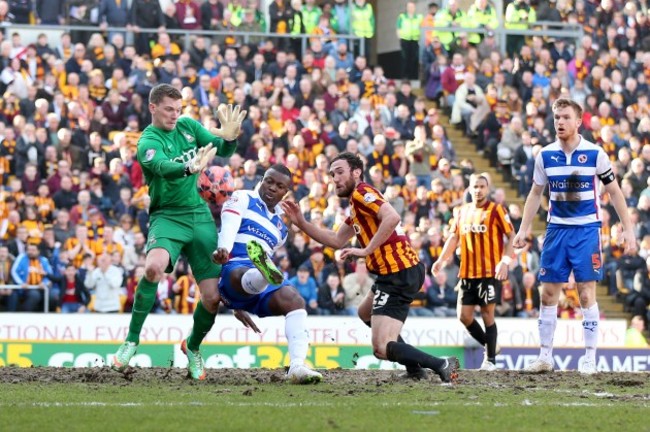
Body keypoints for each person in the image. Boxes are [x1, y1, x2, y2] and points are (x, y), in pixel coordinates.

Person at [282, 152, 459, 383]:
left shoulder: (362, 192)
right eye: (332, 174)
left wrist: (365, 251)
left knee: (381, 349)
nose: (334, 178)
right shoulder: (356, 205)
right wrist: (302, 223)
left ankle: (441, 364)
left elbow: (392, 217)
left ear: (356, 172)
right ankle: (415, 370)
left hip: (399, 271)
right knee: (364, 312)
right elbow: (336, 239)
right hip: (394, 271)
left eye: (340, 172)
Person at [111, 84, 247, 378]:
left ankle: (193, 347)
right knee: (152, 269)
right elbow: (161, 166)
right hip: (167, 216)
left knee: (213, 297)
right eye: (169, 109)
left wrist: (232, 137)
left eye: (178, 109)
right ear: (153, 108)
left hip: (199, 216)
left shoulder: (188, 126)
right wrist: (187, 168)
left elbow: (221, 148)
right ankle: (131, 340)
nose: (175, 115)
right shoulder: (147, 140)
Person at [513, 98, 637, 374]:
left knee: (585, 293)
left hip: (586, 230)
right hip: (556, 230)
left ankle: (590, 358)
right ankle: (545, 357)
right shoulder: (544, 155)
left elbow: (615, 192)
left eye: (566, 117)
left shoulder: (595, 154)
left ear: (579, 121)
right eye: (556, 117)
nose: (559, 122)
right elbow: (535, 193)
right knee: (547, 294)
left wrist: (628, 230)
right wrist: (523, 229)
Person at [212, 164, 323, 384]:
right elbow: (230, 224)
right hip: (233, 268)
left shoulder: (281, 228)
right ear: (262, 180)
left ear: (285, 193)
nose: (272, 188)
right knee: (244, 272)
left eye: (279, 186)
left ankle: (297, 367)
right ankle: (263, 271)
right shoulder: (242, 198)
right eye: (269, 181)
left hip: (257, 288)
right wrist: (223, 248)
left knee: (295, 300)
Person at [431, 174, 514, 371]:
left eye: (482, 186)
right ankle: (491, 345)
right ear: (469, 189)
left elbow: (511, 236)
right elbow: (453, 238)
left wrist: (505, 261)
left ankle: (490, 360)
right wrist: (441, 259)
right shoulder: (461, 211)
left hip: (489, 272)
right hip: (467, 273)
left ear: (488, 189)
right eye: (475, 186)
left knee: (487, 314)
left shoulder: (496, 210)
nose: (478, 190)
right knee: (464, 316)